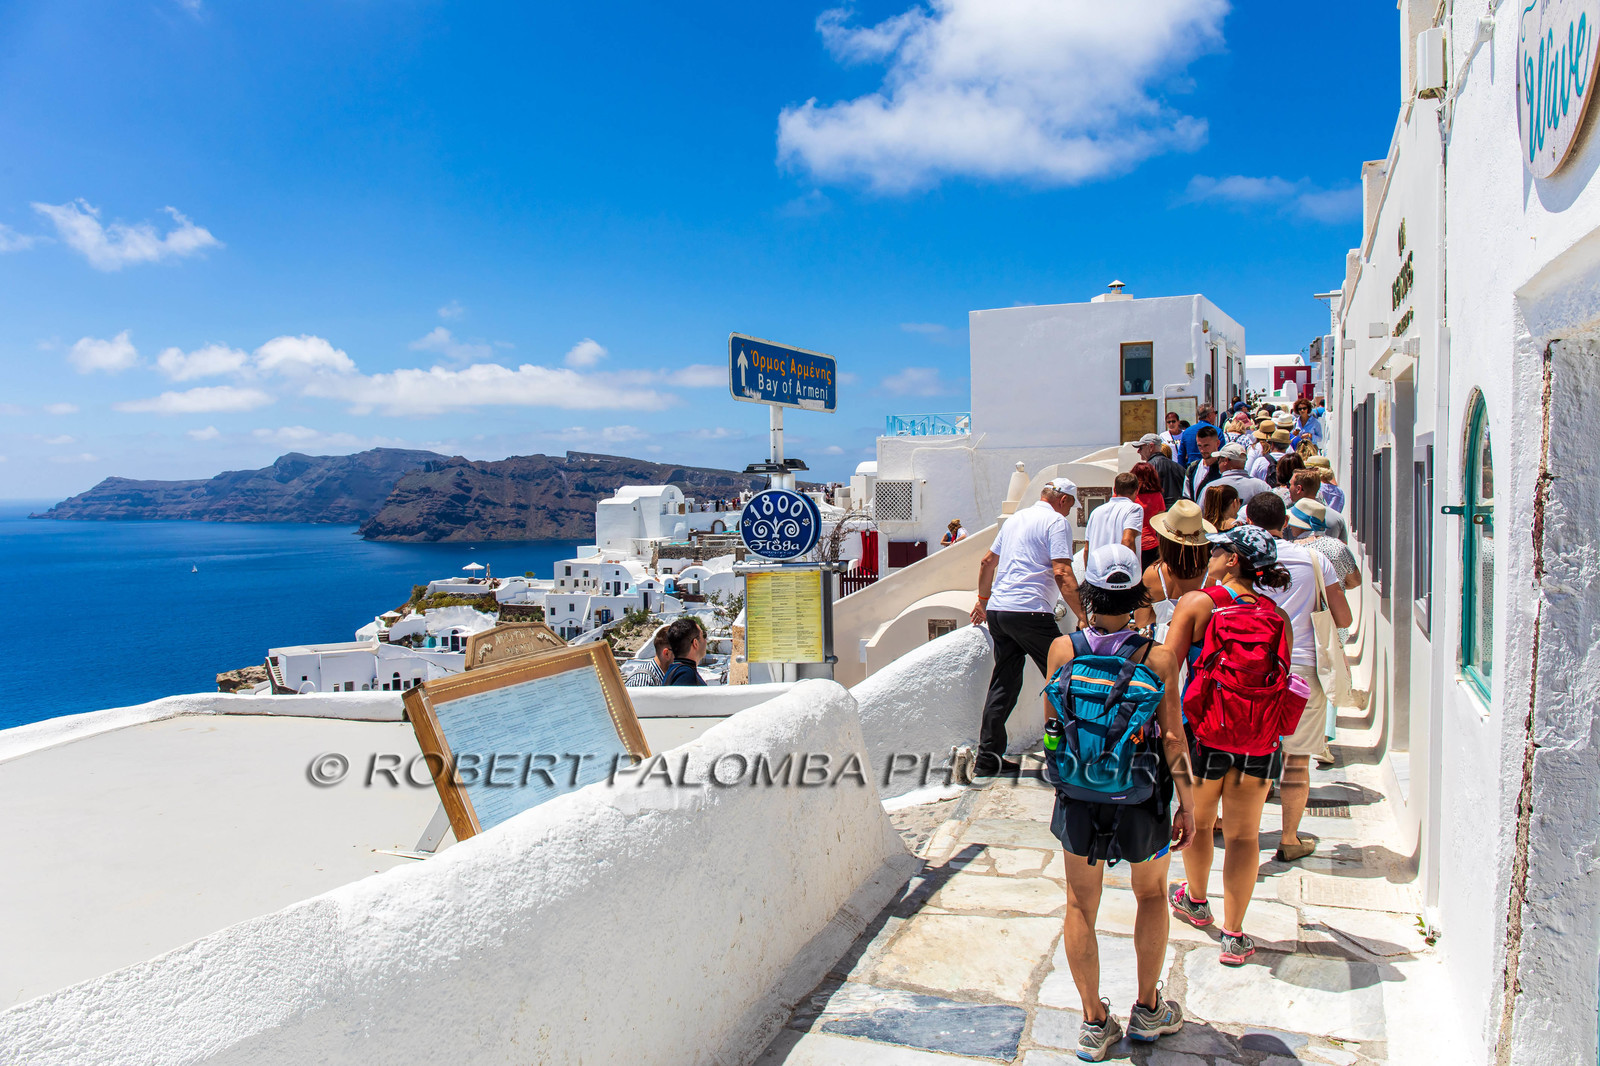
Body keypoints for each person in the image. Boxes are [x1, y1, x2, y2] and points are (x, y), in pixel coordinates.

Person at [1045, 545, 1195, 1060]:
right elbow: (1173, 739)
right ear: (1136, 596)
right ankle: (1149, 1009)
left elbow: (1052, 726)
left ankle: (1093, 1023)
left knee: (1079, 903)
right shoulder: (1157, 657)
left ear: (1087, 590)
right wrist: (1190, 806)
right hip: (1142, 794)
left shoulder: (1063, 651)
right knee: (1151, 896)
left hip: (1080, 793)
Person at [1164, 524, 1295, 966]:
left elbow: (1164, 670)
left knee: (1198, 823)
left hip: (1204, 735)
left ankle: (1196, 902)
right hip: (1258, 741)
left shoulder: (1198, 603)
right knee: (1244, 836)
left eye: (1217, 550)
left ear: (1233, 559)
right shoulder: (1277, 616)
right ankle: (1235, 935)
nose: (1210, 557)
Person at [1244, 494, 1352, 862]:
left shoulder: (1242, 560)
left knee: (1252, 756)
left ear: (1247, 519)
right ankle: (1289, 838)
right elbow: (1344, 617)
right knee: (1297, 760)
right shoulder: (1315, 559)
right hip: (1302, 669)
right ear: (1286, 521)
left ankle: (1244, 832)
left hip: (1254, 666)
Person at [971, 480, 1087, 776]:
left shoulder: (1014, 520)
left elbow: (987, 562)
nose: (1070, 512)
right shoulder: (1056, 522)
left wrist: (982, 601)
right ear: (1062, 500)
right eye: (1071, 505)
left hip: (999, 612)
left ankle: (987, 759)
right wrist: (1083, 615)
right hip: (1030, 611)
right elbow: (1061, 571)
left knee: (1005, 684)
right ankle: (1073, 754)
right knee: (1067, 677)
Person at [1138, 501, 1215, 638]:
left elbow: (1140, 620)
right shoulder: (1212, 575)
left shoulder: (1153, 574)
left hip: (1163, 646)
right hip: (1199, 651)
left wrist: (1164, 615)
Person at [1087, 472, 1144, 557]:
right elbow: (1127, 541)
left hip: (1094, 568)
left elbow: (1086, 549)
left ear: (1114, 489)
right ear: (1137, 491)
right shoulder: (1134, 509)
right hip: (1118, 568)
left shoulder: (1095, 512)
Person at [1206, 443, 1271, 508]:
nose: (1218, 462)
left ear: (1226, 460)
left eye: (1219, 459)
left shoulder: (1212, 487)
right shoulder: (1262, 486)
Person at [1288, 471, 1346, 542]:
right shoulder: (1337, 517)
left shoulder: (1289, 516)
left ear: (1299, 489)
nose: (1288, 489)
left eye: (1290, 484)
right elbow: (1343, 548)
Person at [1130, 462, 1166, 569]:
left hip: (1131, 543)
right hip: (1151, 544)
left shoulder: (1130, 497)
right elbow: (1161, 523)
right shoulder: (1158, 496)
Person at [1136, 433, 1186, 508]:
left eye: (1141, 447)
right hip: (1177, 513)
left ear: (1151, 447)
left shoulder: (1147, 469)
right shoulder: (1179, 468)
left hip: (1157, 513)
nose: (1138, 451)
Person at [662, 616, 707, 686]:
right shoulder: (685, 674)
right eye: (703, 636)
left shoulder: (677, 670)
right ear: (695, 643)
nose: (705, 641)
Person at [1182, 425, 1221, 503]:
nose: (1202, 450)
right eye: (1199, 446)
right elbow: (1187, 496)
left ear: (1217, 443)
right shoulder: (1192, 468)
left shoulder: (1223, 468)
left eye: (1206, 445)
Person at [1176, 403, 1217, 467]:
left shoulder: (1187, 432)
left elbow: (1181, 455)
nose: (1216, 415)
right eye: (1215, 412)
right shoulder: (1217, 431)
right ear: (1209, 415)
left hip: (1191, 469)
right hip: (1212, 470)